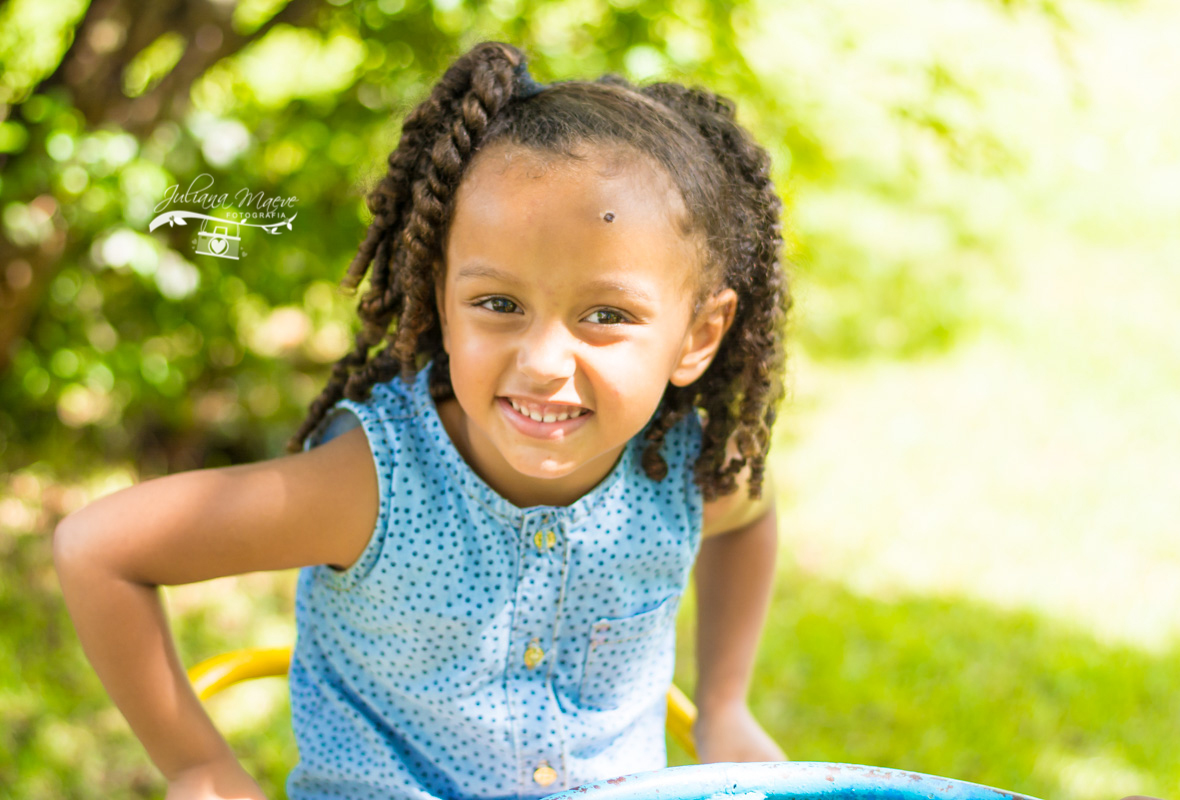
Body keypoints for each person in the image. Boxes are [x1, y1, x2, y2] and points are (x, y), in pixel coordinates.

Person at [53, 41, 790, 800]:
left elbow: (747, 521)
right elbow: (99, 549)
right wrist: (199, 766)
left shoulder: (677, 474)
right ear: (442, 298)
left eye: (606, 315)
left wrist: (724, 707)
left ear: (699, 335)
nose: (541, 361)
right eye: (499, 305)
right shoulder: (375, 486)